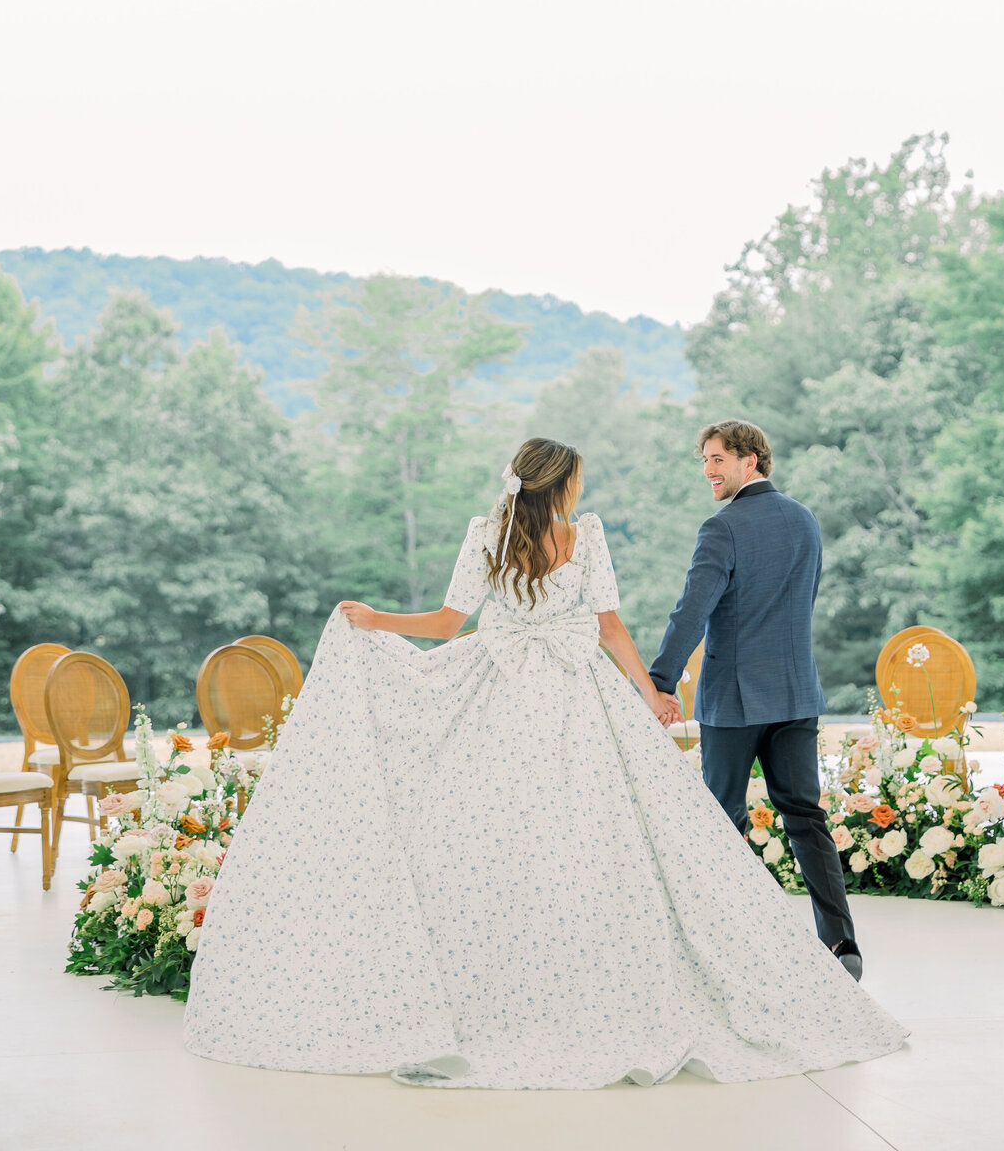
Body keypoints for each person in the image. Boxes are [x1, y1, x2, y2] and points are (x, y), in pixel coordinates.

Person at [185, 436, 904, 1087]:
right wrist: (648, 691)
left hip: (501, 695)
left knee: (488, 835)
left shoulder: (488, 536)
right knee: (591, 837)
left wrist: (376, 620)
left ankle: (498, 988)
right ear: (561, 487)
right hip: (577, 697)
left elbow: (444, 626)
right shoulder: (582, 538)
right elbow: (609, 625)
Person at [649, 419, 863, 978]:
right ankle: (842, 945)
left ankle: (733, 949)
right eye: (703, 460)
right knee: (805, 817)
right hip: (796, 693)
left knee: (721, 822)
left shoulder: (722, 528)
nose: (708, 471)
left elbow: (691, 611)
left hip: (734, 698)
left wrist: (661, 681)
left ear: (751, 461)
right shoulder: (804, 520)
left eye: (718, 459)